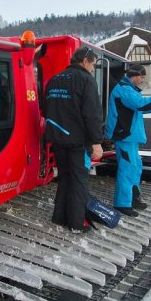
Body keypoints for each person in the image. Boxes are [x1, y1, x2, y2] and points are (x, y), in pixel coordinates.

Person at [44, 46, 103, 233]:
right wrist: (96, 141)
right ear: (85, 61)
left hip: (57, 138)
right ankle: (77, 223)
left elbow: (46, 109)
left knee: (64, 178)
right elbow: (92, 114)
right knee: (79, 181)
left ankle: (59, 217)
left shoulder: (54, 80)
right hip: (77, 141)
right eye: (93, 65)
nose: (93, 69)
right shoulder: (86, 80)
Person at [105, 64, 151, 216]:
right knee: (127, 169)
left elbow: (138, 107)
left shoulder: (130, 90)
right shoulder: (124, 89)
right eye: (141, 77)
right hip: (124, 137)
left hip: (131, 137)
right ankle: (122, 203)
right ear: (133, 75)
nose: (142, 80)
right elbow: (139, 104)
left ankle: (133, 198)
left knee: (135, 167)